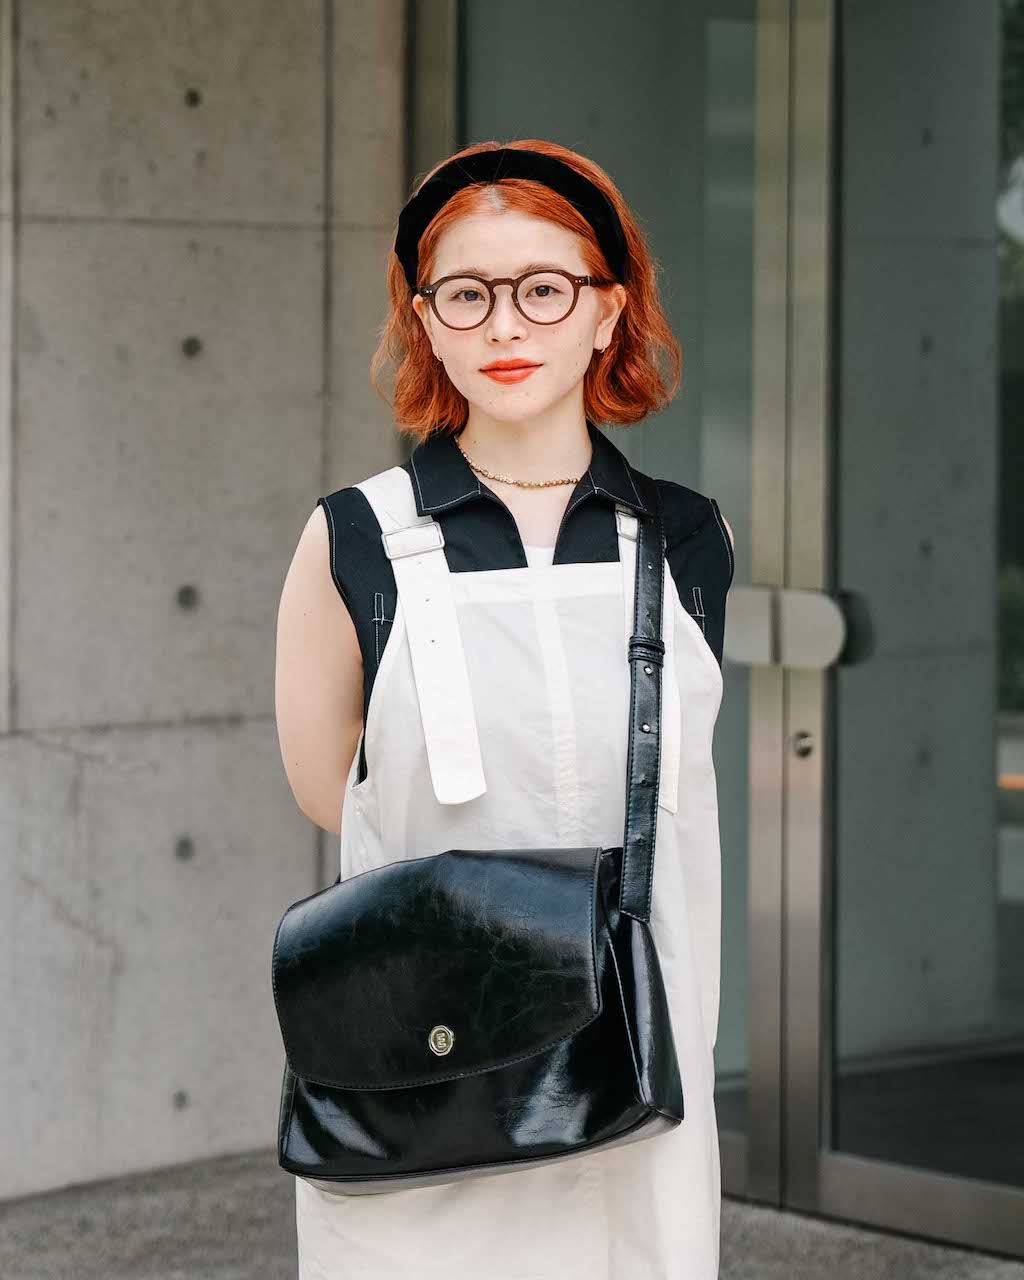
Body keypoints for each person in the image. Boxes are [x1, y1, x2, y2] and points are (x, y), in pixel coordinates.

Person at [275, 138, 735, 1280]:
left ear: (608, 311)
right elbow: (331, 790)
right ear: (425, 322)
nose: (504, 326)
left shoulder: (685, 537)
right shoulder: (355, 537)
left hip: (635, 1071)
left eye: (544, 289)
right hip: (425, 1081)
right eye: (466, 295)